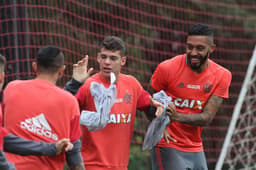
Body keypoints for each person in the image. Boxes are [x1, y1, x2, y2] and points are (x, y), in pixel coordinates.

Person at [64, 36, 164, 170]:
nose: (107, 62)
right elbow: (63, 109)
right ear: (98, 57)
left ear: (123, 61)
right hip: (91, 166)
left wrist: (160, 112)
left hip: (121, 167)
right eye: (104, 57)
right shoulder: (88, 85)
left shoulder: (132, 84)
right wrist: (74, 83)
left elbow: (150, 108)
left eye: (113, 58)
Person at [150, 23, 232, 170]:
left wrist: (177, 117)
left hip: (195, 146)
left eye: (200, 48)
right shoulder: (167, 68)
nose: (193, 52)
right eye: (189, 47)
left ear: (211, 49)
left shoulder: (222, 75)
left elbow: (207, 117)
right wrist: (158, 125)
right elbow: (148, 102)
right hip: (167, 142)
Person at [2, 47, 84, 170]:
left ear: (35, 67)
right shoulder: (70, 102)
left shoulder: (11, 89)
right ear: (61, 71)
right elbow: (74, 156)